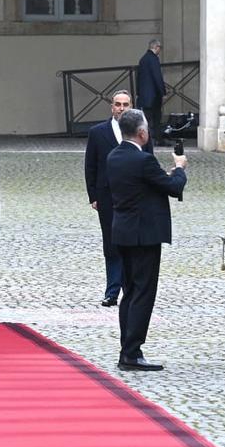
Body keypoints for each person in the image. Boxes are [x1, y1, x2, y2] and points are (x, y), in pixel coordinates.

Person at [106, 109, 186, 371]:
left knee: (129, 293)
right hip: (143, 235)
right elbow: (172, 187)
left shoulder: (114, 156)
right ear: (142, 133)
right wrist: (179, 169)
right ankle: (132, 351)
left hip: (123, 232)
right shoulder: (143, 161)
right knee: (142, 293)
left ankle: (126, 349)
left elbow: (146, 185)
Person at [84, 90, 153, 307]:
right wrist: (93, 195)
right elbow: (91, 165)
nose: (121, 108)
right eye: (117, 104)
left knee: (132, 241)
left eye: (125, 104)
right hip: (106, 195)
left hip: (134, 196)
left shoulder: (141, 131)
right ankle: (112, 290)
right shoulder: (98, 132)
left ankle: (130, 289)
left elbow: (148, 160)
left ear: (131, 106)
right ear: (111, 106)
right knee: (111, 242)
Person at [135, 39, 165, 143]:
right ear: (156, 47)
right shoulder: (153, 59)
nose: (160, 50)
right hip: (154, 95)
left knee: (146, 119)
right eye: (160, 48)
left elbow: (138, 78)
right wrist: (163, 91)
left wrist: (139, 93)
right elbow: (157, 77)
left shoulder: (143, 59)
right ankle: (157, 139)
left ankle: (146, 139)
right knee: (156, 118)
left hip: (145, 96)